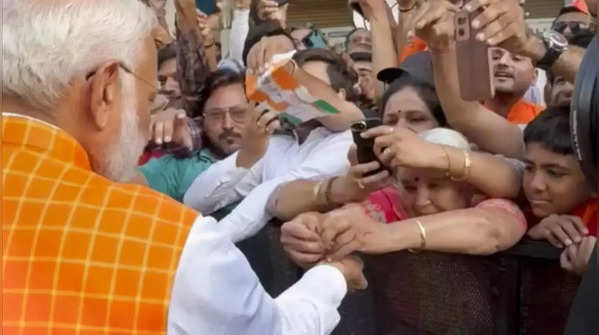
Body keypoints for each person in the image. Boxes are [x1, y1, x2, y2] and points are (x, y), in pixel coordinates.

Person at [2, 1, 366, 333]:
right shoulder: (169, 246)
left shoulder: (334, 138)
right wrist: (334, 278)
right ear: (105, 92)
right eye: (148, 98)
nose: (150, 118)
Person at [184, 29, 364, 242]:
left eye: (309, 83)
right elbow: (194, 200)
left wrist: (206, 245)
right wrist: (249, 154)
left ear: (340, 95)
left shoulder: (348, 141)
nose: (297, 92)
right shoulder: (279, 143)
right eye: (289, 84)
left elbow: (273, 192)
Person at [281, 128, 527, 267]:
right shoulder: (390, 201)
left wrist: (386, 236)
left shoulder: (488, 202)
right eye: (410, 186)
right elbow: (343, 220)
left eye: (436, 185)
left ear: (468, 185)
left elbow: (490, 230)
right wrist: (310, 230)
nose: (421, 201)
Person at [139, 69, 278, 202]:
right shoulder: (180, 166)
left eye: (239, 113)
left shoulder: (280, 155)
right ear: (202, 119)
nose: (227, 124)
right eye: (215, 115)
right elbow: (125, 188)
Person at [522, 107, 596, 274]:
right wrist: (531, 236)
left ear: (594, 182)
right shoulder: (519, 210)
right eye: (528, 168)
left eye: (555, 173)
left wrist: (592, 277)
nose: (535, 185)